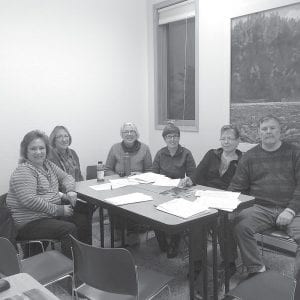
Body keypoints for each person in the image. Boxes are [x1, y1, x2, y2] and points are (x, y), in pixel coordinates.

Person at [229, 115, 300, 279]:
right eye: (264, 129)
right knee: (240, 227)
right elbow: (236, 186)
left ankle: (297, 286)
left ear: (280, 131)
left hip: (292, 208)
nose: (268, 132)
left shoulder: (295, 152)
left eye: (272, 128)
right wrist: (223, 202)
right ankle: (257, 270)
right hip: (261, 207)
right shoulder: (249, 156)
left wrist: (290, 210)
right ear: (259, 133)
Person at [181, 125, 242, 275]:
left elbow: (243, 185)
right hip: (206, 198)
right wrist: (189, 180)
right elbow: (197, 173)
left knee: (224, 222)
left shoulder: (243, 160)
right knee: (196, 220)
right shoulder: (211, 154)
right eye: (223, 138)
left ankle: (229, 262)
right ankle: (197, 262)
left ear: (238, 141)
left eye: (230, 138)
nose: (226, 142)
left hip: (228, 200)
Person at [6, 130, 78, 258]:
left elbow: (66, 177)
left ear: (47, 149)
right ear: (25, 151)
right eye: (33, 149)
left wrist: (70, 190)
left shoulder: (48, 165)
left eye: (41, 148)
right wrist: (59, 210)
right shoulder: (24, 171)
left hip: (45, 215)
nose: (38, 152)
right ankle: (73, 269)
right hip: (28, 222)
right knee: (68, 229)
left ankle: (84, 256)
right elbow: (30, 200)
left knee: (81, 214)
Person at [152, 122, 196, 258]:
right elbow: (153, 174)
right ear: (164, 139)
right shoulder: (160, 153)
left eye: (175, 136)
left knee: (177, 213)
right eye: (169, 136)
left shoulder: (186, 153)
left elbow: (194, 174)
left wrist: (187, 181)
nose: (172, 139)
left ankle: (174, 242)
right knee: (153, 210)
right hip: (160, 189)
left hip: (179, 189)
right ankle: (162, 242)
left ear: (179, 138)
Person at [105, 122, 152, 241]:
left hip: (138, 186)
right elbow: (107, 169)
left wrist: (140, 175)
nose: (129, 134)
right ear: (122, 134)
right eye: (126, 132)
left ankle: (133, 230)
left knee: (134, 204)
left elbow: (150, 171)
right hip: (118, 185)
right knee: (113, 202)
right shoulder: (115, 148)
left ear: (137, 134)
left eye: (132, 131)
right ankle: (117, 229)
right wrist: (117, 177)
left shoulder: (145, 148)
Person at [49, 125, 93, 245]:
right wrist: (68, 193)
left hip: (77, 192)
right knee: (82, 218)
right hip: (61, 197)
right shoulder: (50, 157)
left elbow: (79, 175)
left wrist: (85, 188)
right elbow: (55, 182)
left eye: (66, 136)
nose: (64, 139)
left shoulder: (73, 153)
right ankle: (80, 248)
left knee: (90, 205)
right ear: (53, 140)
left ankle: (85, 246)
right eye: (60, 137)